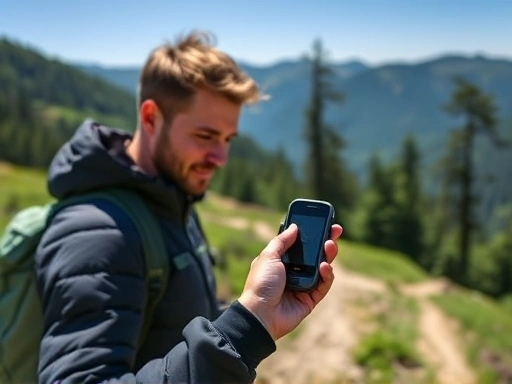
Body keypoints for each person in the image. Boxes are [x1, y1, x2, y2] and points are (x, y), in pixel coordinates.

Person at [34, 31, 343, 384]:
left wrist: (255, 317)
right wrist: (241, 332)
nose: (220, 158)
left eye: (227, 140)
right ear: (150, 118)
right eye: (206, 136)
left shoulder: (170, 199)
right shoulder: (97, 234)